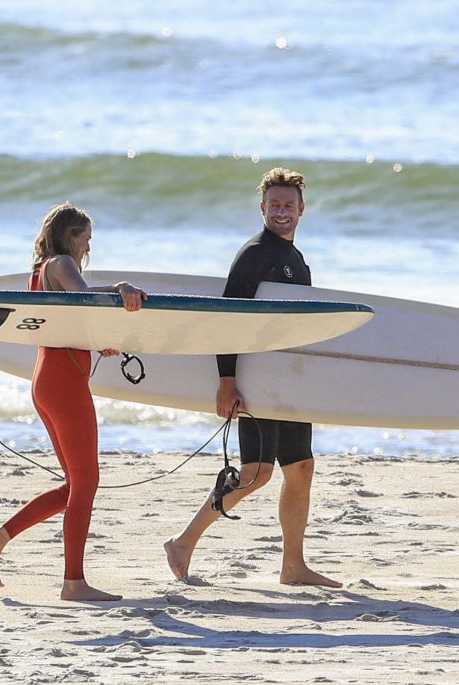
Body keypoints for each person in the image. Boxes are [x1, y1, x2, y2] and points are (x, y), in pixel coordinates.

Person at [164, 168, 342, 588]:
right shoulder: (254, 254)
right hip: (257, 378)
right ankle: (183, 542)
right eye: (275, 205)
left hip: (286, 381)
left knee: (300, 469)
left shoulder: (296, 260)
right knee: (256, 472)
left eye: (289, 205)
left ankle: (293, 567)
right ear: (262, 208)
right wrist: (227, 380)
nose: (282, 212)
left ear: (302, 210)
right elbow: (227, 321)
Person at [0, 201, 147, 601]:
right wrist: (120, 288)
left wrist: (94, 342)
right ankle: (73, 583)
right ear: (71, 236)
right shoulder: (62, 263)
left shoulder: (41, 271)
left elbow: (66, 320)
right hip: (64, 384)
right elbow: (86, 299)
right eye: (86, 238)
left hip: (48, 379)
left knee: (75, 484)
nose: (88, 247)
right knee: (86, 483)